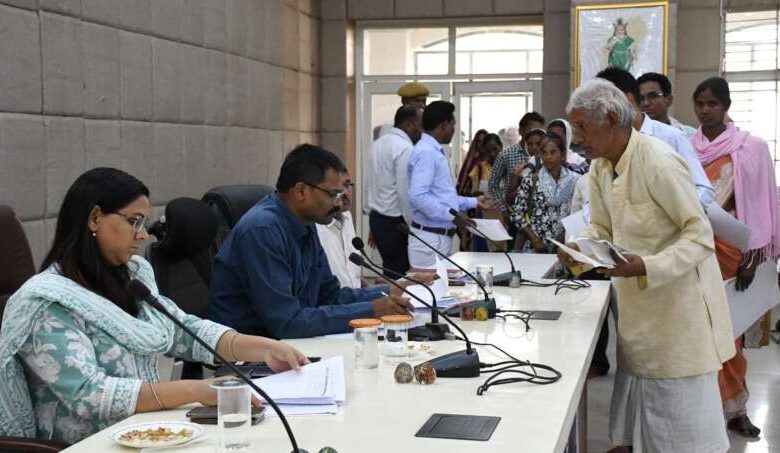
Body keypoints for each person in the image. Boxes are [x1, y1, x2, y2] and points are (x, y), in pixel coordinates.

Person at [0, 168, 309, 444]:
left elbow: (184, 331)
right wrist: (199, 390)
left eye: (144, 223)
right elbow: (89, 394)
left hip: (145, 432)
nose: (143, 234)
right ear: (94, 218)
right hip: (89, 444)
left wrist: (264, 349)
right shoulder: (46, 302)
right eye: (133, 221)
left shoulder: (131, 274)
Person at [560, 79, 735, 453]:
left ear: (611, 120)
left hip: (677, 318)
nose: (577, 139)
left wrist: (647, 266)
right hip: (638, 318)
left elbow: (699, 235)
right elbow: (601, 226)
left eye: (582, 128)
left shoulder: (658, 161)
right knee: (637, 432)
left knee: (679, 435)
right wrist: (579, 248)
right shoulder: (600, 167)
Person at [208, 145, 413, 339]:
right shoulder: (262, 231)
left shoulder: (307, 222)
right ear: (301, 192)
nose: (338, 202)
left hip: (285, 342)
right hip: (247, 350)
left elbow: (329, 295)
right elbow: (287, 322)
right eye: (333, 194)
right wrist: (371, 310)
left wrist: (389, 292)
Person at [692, 77, 780, 439]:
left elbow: (762, 202)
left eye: (712, 103)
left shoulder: (750, 148)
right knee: (699, 332)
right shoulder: (687, 147)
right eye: (700, 103)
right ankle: (703, 408)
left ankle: (735, 409)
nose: (705, 110)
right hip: (694, 250)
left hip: (733, 251)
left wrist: (752, 256)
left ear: (726, 106)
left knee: (731, 333)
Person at [597, 67, 716, 207]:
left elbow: (703, 190)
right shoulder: (607, 144)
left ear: (627, 100)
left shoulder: (671, 137)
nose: (600, 114)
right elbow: (598, 196)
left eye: (603, 106)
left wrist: (671, 213)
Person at [407, 101, 492, 268]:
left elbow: (443, 197)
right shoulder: (426, 152)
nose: (454, 129)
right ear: (444, 125)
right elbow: (418, 197)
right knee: (428, 285)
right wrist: (452, 216)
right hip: (429, 240)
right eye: (453, 124)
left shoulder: (433, 150)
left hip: (437, 238)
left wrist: (474, 202)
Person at [366, 105, 423, 275]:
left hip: (377, 219)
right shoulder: (404, 148)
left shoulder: (377, 144)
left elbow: (369, 183)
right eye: (420, 124)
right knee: (403, 276)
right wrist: (412, 224)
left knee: (391, 271)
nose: (422, 130)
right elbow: (404, 190)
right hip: (396, 222)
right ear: (409, 125)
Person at [510, 133, 580, 253]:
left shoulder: (576, 181)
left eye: (553, 152)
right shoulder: (531, 180)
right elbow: (517, 214)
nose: (548, 157)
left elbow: (580, 214)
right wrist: (534, 239)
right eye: (544, 153)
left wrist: (564, 235)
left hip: (566, 247)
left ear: (562, 155)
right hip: (535, 248)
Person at [488, 112, 546, 226]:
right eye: (531, 130)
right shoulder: (506, 155)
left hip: (541, 216)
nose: (535, 134)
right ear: (521, 131)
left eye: (539, 131)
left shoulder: (547, 156)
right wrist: (504, 209)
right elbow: (493, 184)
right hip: (514, 215)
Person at [316, 170, 362, 288]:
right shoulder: (316, 226)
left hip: (355, 296)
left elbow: (350, 272)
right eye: (337, 189)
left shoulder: (347, 216)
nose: (345, 193)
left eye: (347, 185)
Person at [461, 133, 503, 252]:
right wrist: (478, 194)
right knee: (483, 253)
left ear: (501, 147)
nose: (492, 154)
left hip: (502, 216)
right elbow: (471, 194)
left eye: (495, 150)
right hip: (483, 217)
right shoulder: (479, 168)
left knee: (501, 253)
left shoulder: (508, 168)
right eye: (488, 151)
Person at [637, 72, 697, 137]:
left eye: (653, 96)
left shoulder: (690, 135)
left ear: (669, 99)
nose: (646, 103)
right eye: (641, 98)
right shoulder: (632, 136)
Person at [456, 129, 488, 195]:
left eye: (484, 141)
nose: (481, 144)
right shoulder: (471, 161)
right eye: (478, 141)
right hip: (470, 195)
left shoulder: (492, 161)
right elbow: (463, 178)